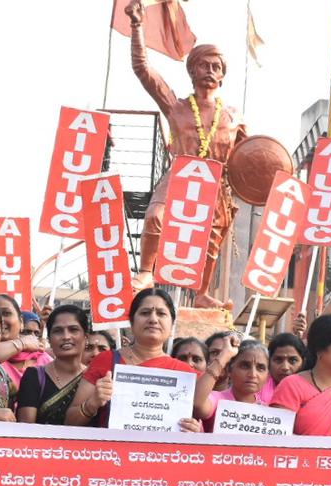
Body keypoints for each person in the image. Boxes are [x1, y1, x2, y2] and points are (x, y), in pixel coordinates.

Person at [125, 0, 246, 308]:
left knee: (211, 241)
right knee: (155, 216)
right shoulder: (176, 105)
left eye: (216, 67)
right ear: (193, 69)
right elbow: (143, 69)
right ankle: (144, 272)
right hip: (181, 173)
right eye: (204, 65)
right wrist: (137, 26)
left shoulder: (233, 117)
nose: (210, 71)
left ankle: (202, 293)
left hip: (216, 182)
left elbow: (248, 160)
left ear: (222, 75)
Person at [67, 288, 201, 431]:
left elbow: (206, 423)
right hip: (112, 450)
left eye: (161, 313)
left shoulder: (185, 374)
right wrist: (92, 403)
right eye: (145, 313)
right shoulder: (106, 360)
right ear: (131, 322)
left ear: (172, 324)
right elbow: (70, 422)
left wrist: (195, 432)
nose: (153, 319)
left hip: (163, 453)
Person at [17, 305, 88, 425]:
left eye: (73, 329)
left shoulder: (95, 378)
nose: (66, 337)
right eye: (58, 331)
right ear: (49, 339)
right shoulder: (34, 377)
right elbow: (26, 431)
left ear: (86, 337)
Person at [194, 335, 270, 431]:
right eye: (245, 366)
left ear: (268, 375)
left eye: (261, 368)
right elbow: (197, 403)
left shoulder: (267, 413)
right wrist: (225, 354)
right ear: (229, 370)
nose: (253, 374)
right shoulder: (217, 400)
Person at [0, 294, 52, 389]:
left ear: (21, 322)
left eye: (6, 313)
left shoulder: (44, 360)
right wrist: (21, 343)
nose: (0, 319)